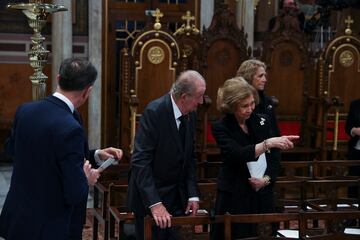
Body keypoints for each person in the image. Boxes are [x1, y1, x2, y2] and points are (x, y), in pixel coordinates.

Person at [0, 58, 123, 240]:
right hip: (50, 225)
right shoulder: (70, 126)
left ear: (58, 78)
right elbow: (74, 193)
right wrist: (86, 179)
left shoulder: (25, 111)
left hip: (19, 218)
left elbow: (14, 151)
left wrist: (96, 155)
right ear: (87, 91)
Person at [211, 77, 299, 239]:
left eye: (252, 103)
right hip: (235, 193)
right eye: (244, 106)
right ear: (230, 106)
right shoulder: (220, 126)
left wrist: (266, 179)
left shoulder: (262, 121)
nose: (250, 108)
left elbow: (274, 157)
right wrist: (267, 143)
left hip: (262, 192)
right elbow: (237, 154)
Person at [127, 70, 206, 240]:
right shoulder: (155, 112)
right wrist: (155, 204)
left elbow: (190, 158)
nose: (201, 101)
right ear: (184, 96)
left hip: (177, 197)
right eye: (199, 96)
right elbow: (140, 161)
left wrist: (192, 193)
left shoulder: (190, 114)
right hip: (151, 198)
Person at [237, 59, 280, 138]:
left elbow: (275, 131)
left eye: (265, 76)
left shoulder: (268, 102)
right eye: (260, 76)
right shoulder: (238, 101)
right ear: (248, 77)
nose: (265, 80)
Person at [345, 99, 360, 198]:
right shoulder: (355, 104)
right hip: (356, 150)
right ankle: (351, 210)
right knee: (353, 183)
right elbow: (348, 127)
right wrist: (354, 130)